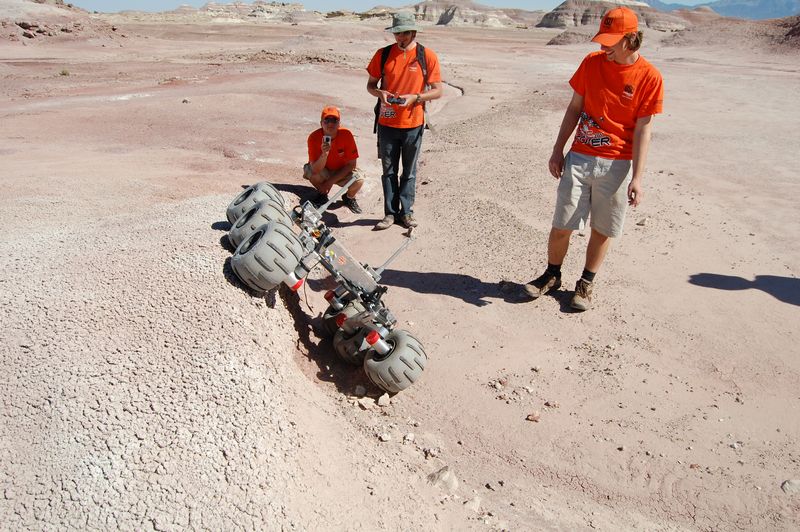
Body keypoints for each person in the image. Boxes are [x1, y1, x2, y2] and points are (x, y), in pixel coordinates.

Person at [524, 7, 664, 311]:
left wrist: (638, 177)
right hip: (580, 157)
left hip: (617, 164)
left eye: (610, 41)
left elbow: (644, 129)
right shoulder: (591, 63)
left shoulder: (650, 77)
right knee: (562, 223)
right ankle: (552, 274)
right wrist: (557, 149)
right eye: (602, 39)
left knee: (602, 228)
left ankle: (586, 283)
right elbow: (575, 108)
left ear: (630, 40)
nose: (603, 46)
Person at [366, 12, 442, 230]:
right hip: (387, 123)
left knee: (409, 172)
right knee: (388, 171)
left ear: (413, 32)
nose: (400, 37)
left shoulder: (427, 56)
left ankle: (406, 213)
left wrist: (416, 97)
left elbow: (438, 91)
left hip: (413, 124)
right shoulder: (382, 55)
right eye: (397, 33)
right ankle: (390, 214)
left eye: (405, 33)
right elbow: (370, 85)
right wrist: (380, 93)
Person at [303, 105, 364, 214]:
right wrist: (324, 155)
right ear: (321, 123)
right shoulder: (314, 138)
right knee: (311, 172)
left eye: (334, 120)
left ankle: (349, 198)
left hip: (342, 170)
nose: (330, 124)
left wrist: (330, 182)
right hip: (324, 170)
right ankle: (322, 194)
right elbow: (315, 169)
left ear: (339, 123)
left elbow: (351, 165)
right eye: (326, 120)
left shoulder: (346, 135)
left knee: (358, 180)